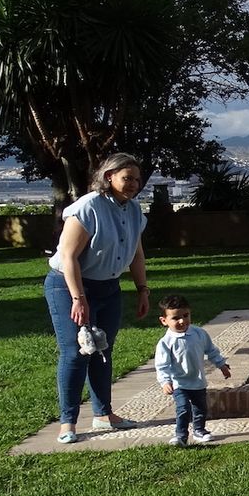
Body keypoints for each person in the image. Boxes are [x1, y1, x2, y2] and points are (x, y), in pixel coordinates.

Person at [43, 153, 151, 445]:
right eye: (127, 178)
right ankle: (68, 422)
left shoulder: (133, 210)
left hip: (108, 288)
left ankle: (104, 414)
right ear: (108, 177)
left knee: (103, 350)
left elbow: (137, 254)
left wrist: (142, 289)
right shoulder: (88, 206)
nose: (133, 184)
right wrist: (78, 298)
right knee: (77, 352)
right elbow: (68, 257)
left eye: (137, 179)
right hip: (69, 286)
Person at [153, 292, 232, 447]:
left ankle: (199, 430)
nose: (182, 321)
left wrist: (222, 365)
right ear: (164, 321)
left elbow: (211, 351)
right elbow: (162, 365)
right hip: (178, 383)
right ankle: (181, 435)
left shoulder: (199, 334)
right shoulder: (166, 342)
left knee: (200, 408)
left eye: (186, 315)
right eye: (176, 318)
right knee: (183, 408)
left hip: (198, 380)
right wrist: (165, 382)